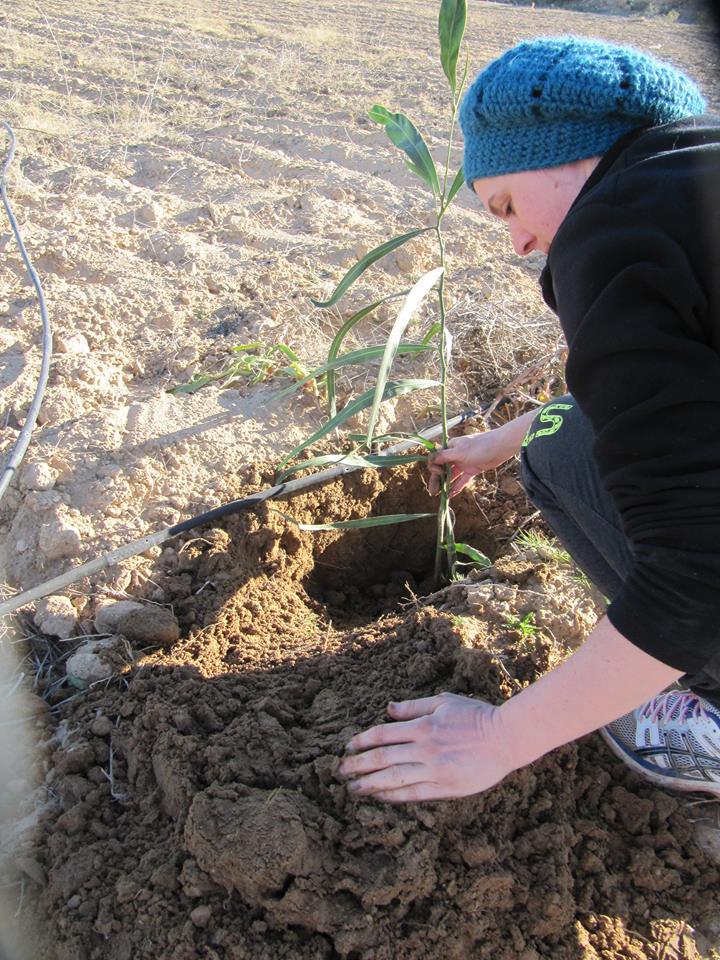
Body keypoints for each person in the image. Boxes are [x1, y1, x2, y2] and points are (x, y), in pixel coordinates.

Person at [338, 35, 720, 803]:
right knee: (556, 437)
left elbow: (698, 572)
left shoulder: (616, 231)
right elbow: (690, 397)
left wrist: (500, 737)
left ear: (577, 153)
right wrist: (507, 434)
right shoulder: (690, 190)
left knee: (563, 451)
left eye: (507, 204)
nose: (517, 241)